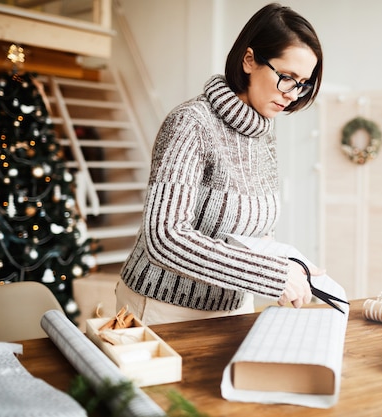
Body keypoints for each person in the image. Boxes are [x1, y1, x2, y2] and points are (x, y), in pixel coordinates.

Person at [116, 3, 324, 325]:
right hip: (163, 307)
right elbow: (165, 237)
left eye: (303, 84)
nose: (292, 95)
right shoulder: (190, 124)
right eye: (287, 77)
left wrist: (286, 261)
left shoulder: (262, 133)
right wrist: (270, 273)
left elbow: (251, 229)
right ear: (249, 60)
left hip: (233, 307)